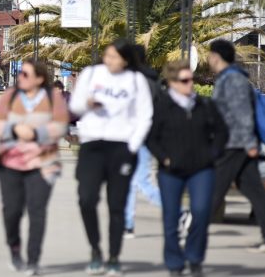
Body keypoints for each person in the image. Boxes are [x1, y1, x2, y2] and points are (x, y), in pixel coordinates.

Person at [69, 39, 153, 276]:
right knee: (86, 199)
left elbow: (145, 115)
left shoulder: (136, 81)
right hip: (92, 145)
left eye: (115, 57)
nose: (109, 61)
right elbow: (74, 106)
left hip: (121, 147)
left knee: (116, 205)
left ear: (126, 60)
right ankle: (95, 249)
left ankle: (114, 256)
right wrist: (86, 103)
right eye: (107, 56)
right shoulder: (91, 74)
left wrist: (132, 146)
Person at [146, 60, 229, 276]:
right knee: (171, 218)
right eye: (184, 80)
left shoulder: (204, 104)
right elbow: (151, 138)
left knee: (201, 213)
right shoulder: (162, 106)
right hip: (171, 171)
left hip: (202, 169)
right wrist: (164, 159)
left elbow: (221, 131)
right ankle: (174, 263)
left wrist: (213, 154)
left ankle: (195, 258)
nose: (190, 84)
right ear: (172, 82)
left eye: (191, 79)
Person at [0, 59, 69, 275]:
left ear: (40, 78)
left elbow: (61, 125)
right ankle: (15, 250)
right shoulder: (10, 96)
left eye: (25, 74)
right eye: (20, 74)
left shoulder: (54, 98)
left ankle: (33, 259)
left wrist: (36, 133)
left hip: (43, 164)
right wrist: (16, 130)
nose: (20, 78)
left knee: (37, 212)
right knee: (11, 212)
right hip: (11, 164)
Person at [207, 39, 265, 252]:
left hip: (236, 143)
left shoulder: (232, 80)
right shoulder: (228, 78)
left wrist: (250, 144)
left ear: (216, 56)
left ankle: (196, 232)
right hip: (236, 142)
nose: (208, 59)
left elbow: (242, 115)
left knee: (215, 188)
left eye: (210, 55)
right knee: (253, 190)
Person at [124, 45, 163, 239]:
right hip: (147, 137)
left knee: (139, 181)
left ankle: (178, 213)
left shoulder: (137, 81)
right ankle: (127, 224)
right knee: (134, 181)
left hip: (137, 136)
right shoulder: (153, 79)